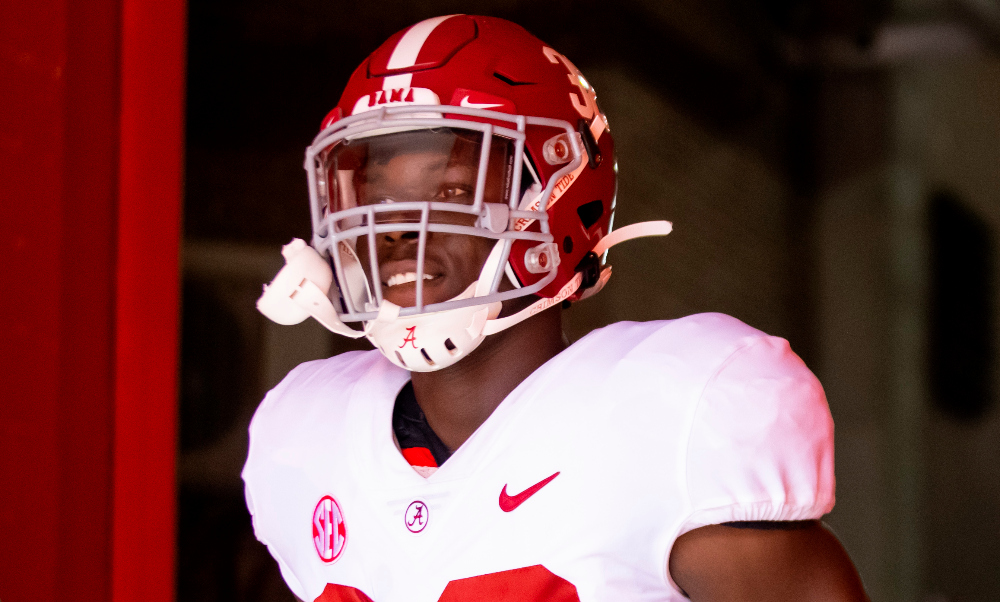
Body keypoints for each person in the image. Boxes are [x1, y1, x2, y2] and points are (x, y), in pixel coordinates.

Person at [244, 14, 869, 602]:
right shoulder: (306, 439)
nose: (402, 230)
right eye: (379, 200)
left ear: (554, 199)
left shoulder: (667, 419)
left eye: (453, 190)